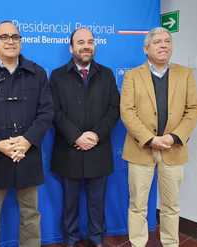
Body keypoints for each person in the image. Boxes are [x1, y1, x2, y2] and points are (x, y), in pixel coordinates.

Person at [0, 21, 53, 247]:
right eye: (4, 37)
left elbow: (46, 112)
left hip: (28, 154)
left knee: (31, 214)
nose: (10, 41)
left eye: (15, 37)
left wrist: (26, 141)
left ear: (21, 42)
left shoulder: (37, 72)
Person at [120, 27, 197, 247]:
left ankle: (170, 243)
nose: (164, 45)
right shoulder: (132, 75)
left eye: (168, 41)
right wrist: (150, 139)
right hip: (141, 149)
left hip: (173, 149)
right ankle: (137, 242)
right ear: (146, 49)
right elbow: (127, 111)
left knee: (171, 206)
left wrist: (174, 137)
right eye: (157, 42)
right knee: (138, 205)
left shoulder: (185, 74)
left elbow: (193, 109)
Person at [50, 28, 120, 247]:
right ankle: (70, 238)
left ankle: (96, 238)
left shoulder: (106, 74)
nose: (86, 45)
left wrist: (96, 135)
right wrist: (76, 136)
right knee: (69, 203)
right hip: (69, 150)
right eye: (80, 42)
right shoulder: (57, 75)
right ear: (72, 47)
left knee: (97, 203)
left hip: (98, 150)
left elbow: (114, 109)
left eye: (90, 41)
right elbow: (54, 111)